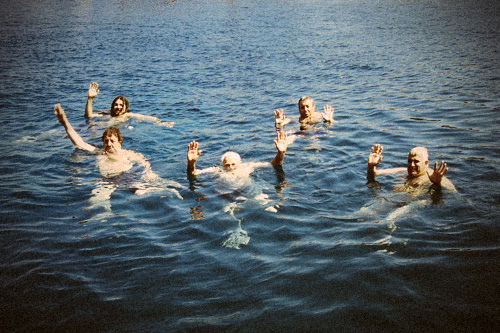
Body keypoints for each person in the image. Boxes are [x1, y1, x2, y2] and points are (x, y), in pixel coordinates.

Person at [54, 104, 181, 203]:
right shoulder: (99, 152)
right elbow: (79, 143)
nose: (108, 144)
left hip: (127, 176)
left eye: (112, 141)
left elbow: (145, 165)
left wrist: (149, 175)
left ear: (120, 142)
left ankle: (171, 189)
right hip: (106, 180)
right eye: (106, 141)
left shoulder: (128, 153)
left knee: (140, 193)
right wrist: (65, 122)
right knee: (95, 201)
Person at [186, 132, 288, 177]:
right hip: (226, 194)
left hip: (247, 190)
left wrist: (281, 152)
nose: (230, 167)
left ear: (240, 163)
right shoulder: (218, 170)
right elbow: (194, 173)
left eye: (233, 164)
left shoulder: (248, 166)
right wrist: (191, 163)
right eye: (227, 165)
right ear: (222, 165)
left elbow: (276, 163)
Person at [367, 144, 457, 193]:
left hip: (410, 208)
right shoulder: (402, 171)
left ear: (426, 163)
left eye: (416, 161)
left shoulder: (434, 177)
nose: (412, 165)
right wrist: (371, 166)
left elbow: (454, 193)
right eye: (409, 161)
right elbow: (375, 174)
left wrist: (437, 184)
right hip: (388, 201)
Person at [84, 82, 174, 127]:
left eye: (121, 105)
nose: (118, 107)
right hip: (102, 129)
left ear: (126, 108)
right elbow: (89, 116)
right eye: (116, 105)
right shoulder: (106, 115)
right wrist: (90, 99)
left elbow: (147, 118)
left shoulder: (128, 115)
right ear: (112, 106)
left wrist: (162, 123)